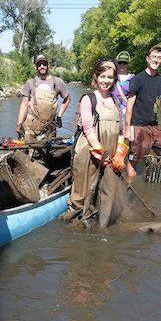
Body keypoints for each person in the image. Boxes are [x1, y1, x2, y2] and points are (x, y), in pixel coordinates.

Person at [60, 60, 128, 225]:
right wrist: (99, 151)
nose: (106, 80)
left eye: (110, 77)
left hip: (110, 155)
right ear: (96, 77)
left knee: (105, 194)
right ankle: (73, 230)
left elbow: (120, 131)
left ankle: (98, 224)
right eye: (102, 76)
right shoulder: (88, 99)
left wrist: (120, 153)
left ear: (114, 79)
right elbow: (88, 130)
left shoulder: (116, 101)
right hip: (88, 153)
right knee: (81, 195)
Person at [124, 45, 161, 179]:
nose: (156, 60)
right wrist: (127, 129)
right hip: (138, 125)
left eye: (159, 58)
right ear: (148, 58)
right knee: (134, 160)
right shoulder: (138, 79)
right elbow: (129, 106)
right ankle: (131, 189)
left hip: (154, 126)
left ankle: (159, 185)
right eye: (154, 57)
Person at [16, 54, 71, 142]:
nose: (42, 66)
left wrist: (59, 116)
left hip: (49, 126)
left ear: (48, 66)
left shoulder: (57, 82)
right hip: (31, 125)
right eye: (39, 64)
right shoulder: (30, 83)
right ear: (36, 67)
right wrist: (19, 124)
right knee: (28, 149)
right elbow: (24, 104)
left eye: (44, 64)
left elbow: (67, 98)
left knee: (48, 152)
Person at [111, 51, 135, 128]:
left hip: (126, 112)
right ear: (116, 63)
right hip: (112, 110)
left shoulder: (134, 79)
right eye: (120, 62)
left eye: (125, 63)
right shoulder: (111, 77)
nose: (122, 65)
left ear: (128, 64)